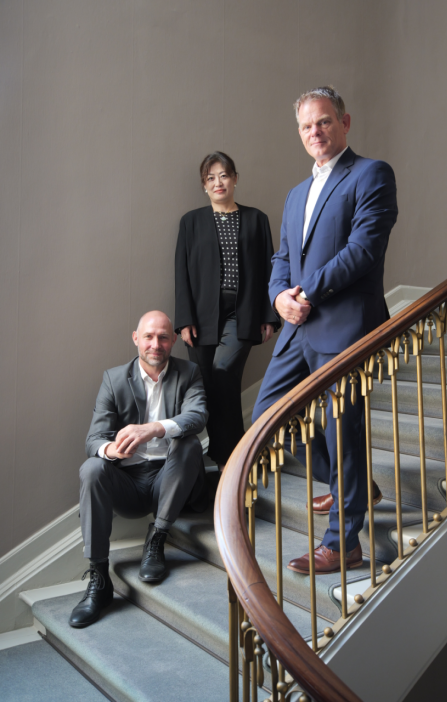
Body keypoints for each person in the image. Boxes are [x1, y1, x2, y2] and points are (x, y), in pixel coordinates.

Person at [252, 86, 398, 575]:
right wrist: (278, 296)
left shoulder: (372, 174)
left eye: (324, 121)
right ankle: (351, 484)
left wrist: (305, 293)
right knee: (267, 418)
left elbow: (363, 249)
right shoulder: (297, 193)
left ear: (344, 122)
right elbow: (282, 257)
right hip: (297, 328)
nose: (314, 132)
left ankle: (343, 544)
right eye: (306, 126)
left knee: (343, 433)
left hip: (345, 327)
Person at [69, 311, 208, 628]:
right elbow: (93, 440)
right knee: (92, 468)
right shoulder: (114, 379)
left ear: (173, 340)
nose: (155, 344)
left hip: (171, 481)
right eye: (148, 337)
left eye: (163, 337)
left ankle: (157, 537)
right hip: (128, 484)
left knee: (189, 444)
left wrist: (154, 428)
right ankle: (99, 579)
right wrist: (111, 450)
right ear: (136, 339)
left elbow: (198, 416)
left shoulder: (189, 373)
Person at [175, 152, 278, 472]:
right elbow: (181, 273)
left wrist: (269, 314)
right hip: (201, 316)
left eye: (223, 175)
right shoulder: (191, 221)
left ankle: (231, 458)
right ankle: (230, 457)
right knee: (210, 385)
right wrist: (184, 319)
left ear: (235, 178)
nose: (217, 182)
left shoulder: (257, 219)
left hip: (242, 312)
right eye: (210, 178)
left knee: (222, 371)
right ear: (204, 186)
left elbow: (269, 269)